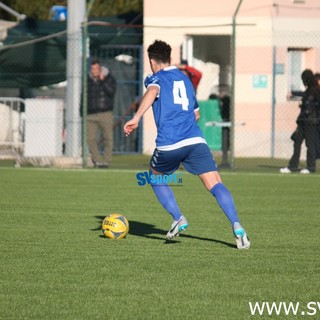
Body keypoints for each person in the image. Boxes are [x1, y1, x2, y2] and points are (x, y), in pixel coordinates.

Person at [124, 40, 250, 249]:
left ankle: (178, 217)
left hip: (169, 142)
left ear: (152, 60)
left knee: (155, 177)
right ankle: (237, 226)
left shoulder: (154, 77)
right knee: (215, 183)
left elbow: (153, 91)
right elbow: (197, 114)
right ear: (170, 58)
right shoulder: (186, 80)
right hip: (195, 141)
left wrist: (136, 117)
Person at [280, 69, 320, 174]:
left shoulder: (316, 91)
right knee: (297, 142)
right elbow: (303, 96)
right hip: (303, 121)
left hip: (311, 122)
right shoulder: (308, 91)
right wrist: (293, 93)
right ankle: (293, 166)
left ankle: (311, 167)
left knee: (310, 145)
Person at [87, 58, 116, 168]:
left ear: (100, 69)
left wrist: (102, 81)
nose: (94, 71)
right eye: (92, 69)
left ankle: (106, 160)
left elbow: (111, 92)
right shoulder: (88, 80)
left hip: (105, 113)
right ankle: (97, 160)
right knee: (90, 139)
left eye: (96, 69)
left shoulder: (109, 79)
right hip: (90, 114)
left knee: (108, 138)